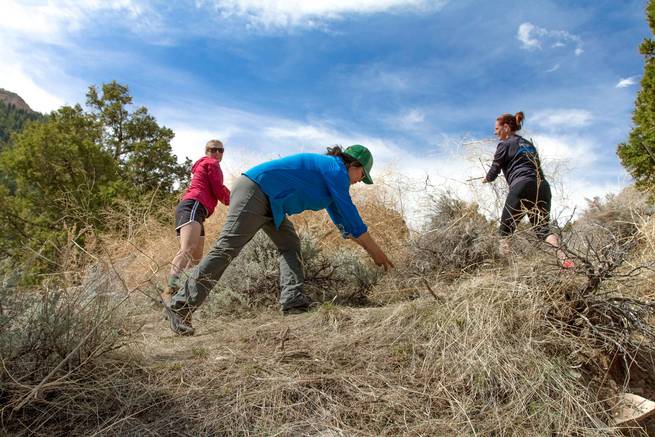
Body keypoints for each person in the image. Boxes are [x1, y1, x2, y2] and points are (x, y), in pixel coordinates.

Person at [161, 144, 394, 336]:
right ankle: (180, 306)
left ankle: (293, 302)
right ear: (354, 165)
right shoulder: (336, 170)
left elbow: (346, 224)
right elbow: (352, 215)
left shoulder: (331, 180)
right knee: (227, 248)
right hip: (256, 191)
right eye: (362, 176)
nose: (359, 181)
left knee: (290, 245)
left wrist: (371, 251)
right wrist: (378, 255)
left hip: (273, 204)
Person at [483, 112, 573, 267]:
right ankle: (565, 260)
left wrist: (487, 179)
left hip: (522, 186)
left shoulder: (504, 144)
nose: (495, 132)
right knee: (543, 230)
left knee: (505, 232)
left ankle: (504, 270)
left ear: (506, 127)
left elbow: (495, 168)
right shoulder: (528, 144)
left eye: (497, 128)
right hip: (542, 187)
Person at [167, 139, 230, 295]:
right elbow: (218, 188)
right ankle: (170, 288)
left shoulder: (202, 164)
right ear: (207, 151)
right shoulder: (212, 163)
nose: (217, 153)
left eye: (220, 150)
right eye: (215, 150)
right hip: (193, 206)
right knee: (186, 249)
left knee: (196, 258)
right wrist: (234, 198)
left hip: (196, 210)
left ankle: (184, 289)